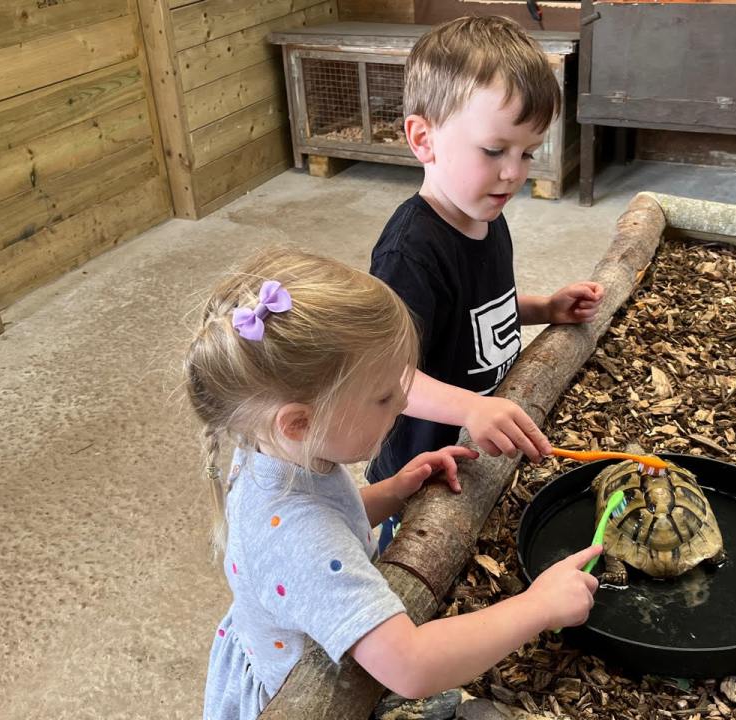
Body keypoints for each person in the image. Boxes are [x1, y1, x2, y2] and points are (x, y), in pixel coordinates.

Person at [185, 248, 601, 719]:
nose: (404, 399)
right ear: (299, 423)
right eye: (384, 396)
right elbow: (410, 665)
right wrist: (539, 606)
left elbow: (328, 519)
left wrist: (394, 490)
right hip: (301, 698)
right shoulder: (299, 539)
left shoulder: (270, 447)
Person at [368, 16, 606, 548]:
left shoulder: (485, 215)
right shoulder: (411, 252)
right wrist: (472, 408)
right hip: (421, 464)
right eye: (495, 151)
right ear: (423, 138)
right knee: (414, 554)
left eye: (528, 152)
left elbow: (479, 308)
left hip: (478, 441)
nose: (514, 173)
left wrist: (544, 308)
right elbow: (388, 377)